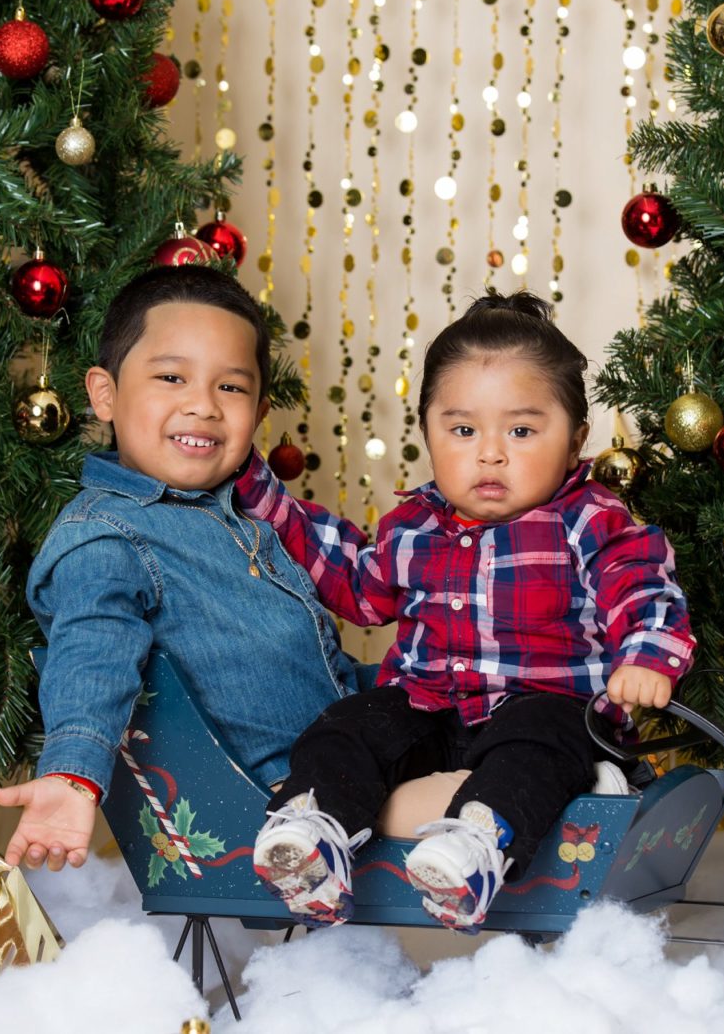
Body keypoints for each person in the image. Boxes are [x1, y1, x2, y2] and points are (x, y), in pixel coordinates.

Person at [235, 290, 697, 933]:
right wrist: (259, 491)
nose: (490, 452)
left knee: (536, 735)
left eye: (522, 431)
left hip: (551, 715)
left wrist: (648, 654)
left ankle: (476, 846)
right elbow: (353, 582)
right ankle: (312, 831)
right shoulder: (412, 527)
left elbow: (641, 586)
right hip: (432, 712)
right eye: (462, 430)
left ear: (575, 441)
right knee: (353, 721)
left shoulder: (588, 519)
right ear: (428, 433)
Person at [0, 265, 357, 872]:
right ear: (105, 394)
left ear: (259, 411)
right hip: (276, 804)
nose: (203, 405)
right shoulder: (106, 537)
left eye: (231, 388)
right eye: (171, 377)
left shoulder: (245, 519)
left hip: (344, 762)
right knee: (484, 801)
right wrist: (72, 771)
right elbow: (92, 649)